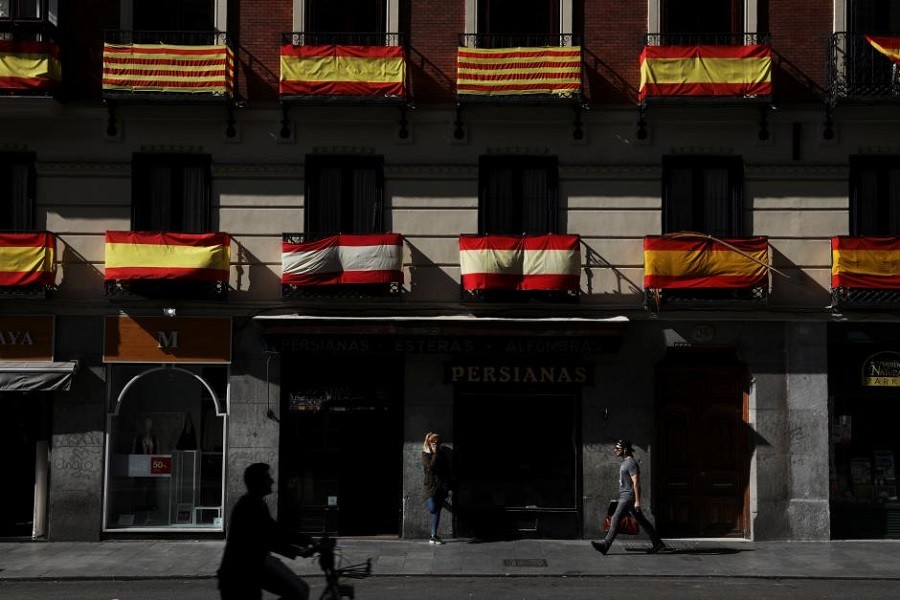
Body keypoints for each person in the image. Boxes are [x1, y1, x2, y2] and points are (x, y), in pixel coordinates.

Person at [218, 462, 313, 600]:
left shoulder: (258, 503)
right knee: (298, 591)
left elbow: (276, 530)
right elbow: (268, 540)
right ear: (258, 482)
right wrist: (299, 550)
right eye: (267, 478)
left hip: (252, 566)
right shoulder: (248, 507)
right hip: (239, 575)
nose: (272, 480)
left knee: (301, 589)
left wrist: (307, 540)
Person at [591, 438, 667, 555]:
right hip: (625, 496)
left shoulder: (631, 463)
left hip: (628, 497)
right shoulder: (626, 462)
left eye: (617, 449)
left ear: (625, 450)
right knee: (642, 521)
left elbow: (636, 482)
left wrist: (637, 501)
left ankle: (605, 545)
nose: (615, 450)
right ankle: (658, 544)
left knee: (615, 518)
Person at [422, 431, 451, 545]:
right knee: (433, 509)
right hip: (430, 487)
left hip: (441, 487)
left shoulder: (442, 453)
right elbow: (430, 469)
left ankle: (433, 536)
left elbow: (447, 470)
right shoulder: (426, 455)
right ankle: (433, 536)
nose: (436, 444)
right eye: (433, 442)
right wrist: (434, 455)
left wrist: (447, 485)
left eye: (437, 442)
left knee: (437, 511)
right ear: (429, 443)